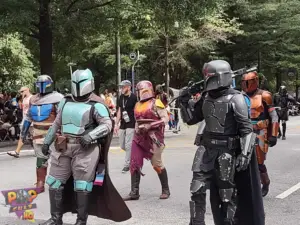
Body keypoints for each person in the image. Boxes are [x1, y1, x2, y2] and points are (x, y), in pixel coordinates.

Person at [40, 69, 131, 225]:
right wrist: (47, 142)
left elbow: (107, 124)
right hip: (63, 145)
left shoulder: (96, 104)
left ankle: (81, 221)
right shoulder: (66, 101)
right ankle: (56, 219)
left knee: (82, 185)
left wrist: (91, 136)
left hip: (86, 149)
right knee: (54, 182)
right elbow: (56, 124)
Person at [180, 60, 264, 225]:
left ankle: (228, 222)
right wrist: (183, 101)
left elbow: (247, 130)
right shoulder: (205, 97)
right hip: (206, 149)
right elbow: (191, 119)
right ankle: (196, 222)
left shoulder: (236, 98)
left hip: (226, 151)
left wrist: (245, 155)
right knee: (197, 188)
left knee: (227, 194)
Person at [123, 80, 170, 201]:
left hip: (154, 138)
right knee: (134, 162)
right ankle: (134, 192)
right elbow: (137, 121)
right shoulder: (137, 105)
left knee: (156, 164)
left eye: (139, 90)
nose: (138, 93)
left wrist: (152, 125)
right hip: (139, 137)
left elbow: (165, 119)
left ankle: (166, 189)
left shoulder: (157, 102)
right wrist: (137, 130)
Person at [18, 76, 64, 193]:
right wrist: (23, 134)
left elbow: (63, 117)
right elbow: (28, 117)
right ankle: (40, 182)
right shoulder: (33, 99)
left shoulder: (58, 98)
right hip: (38, 134)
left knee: (57, 160)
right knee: (41, 159)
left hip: (54, 134)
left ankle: (57, 181)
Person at [242, 72, 279, 197]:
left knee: (259, 162)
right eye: (244, 82)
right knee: (241, 160)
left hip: (260, 131)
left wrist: (273, 134)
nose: (246, 85)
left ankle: (265, 182)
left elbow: (274, 116)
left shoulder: (265, 95)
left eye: (248, 82)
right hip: (244, 131)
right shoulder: (240, 96)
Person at [115, 80, 137, 173]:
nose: (121, 89)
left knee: (128, 145)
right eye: (121, 87)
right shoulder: (121, 97)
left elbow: (136, 111)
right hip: (123, 123)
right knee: (122, 145)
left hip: (131, 122)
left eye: (123, 87)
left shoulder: (134, 97)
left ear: (128, 87)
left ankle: (127, 165)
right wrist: (116, 124)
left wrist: (137, 124)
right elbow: (120, 111)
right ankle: (133, 154)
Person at [7, 87, 32, 158]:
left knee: (33, 136)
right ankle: (17, 152)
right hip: (25, 119)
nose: (21, 93)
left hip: (32, 119)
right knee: (22, 135)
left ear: (27, 90)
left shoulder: (32, 98)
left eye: (22, 91)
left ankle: (41, 150)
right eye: (20, 92)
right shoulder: (23, 99)